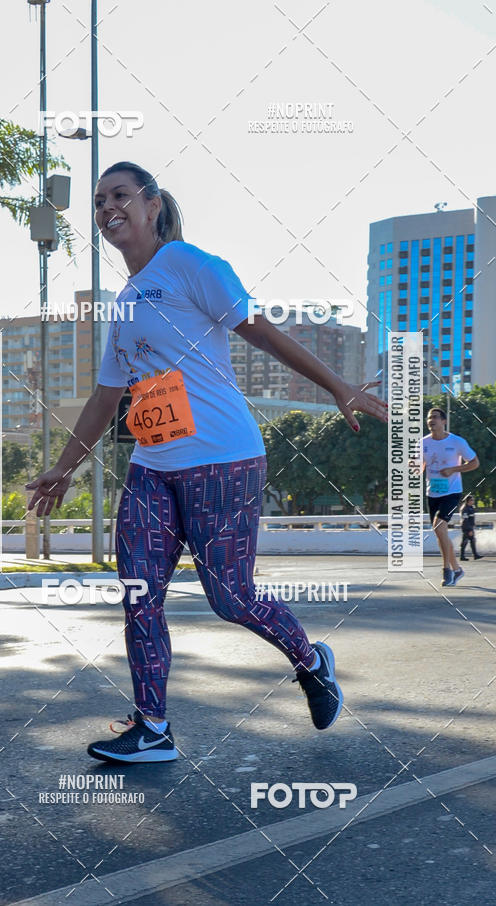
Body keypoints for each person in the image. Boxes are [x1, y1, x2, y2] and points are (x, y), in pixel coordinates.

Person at [26, 161, 388, 764]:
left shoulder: (192, 267)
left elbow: (262, 332)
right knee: (137, 591)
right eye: (98, 201)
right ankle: (153, 728)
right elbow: (104, 398)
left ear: (153, 205)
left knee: (231, 597)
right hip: (151, 464)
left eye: (119, 195)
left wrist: (336, 385)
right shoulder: (123, 302)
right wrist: (65, 467)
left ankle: (311, 661)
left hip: (223, 457)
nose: (107, 208)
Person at [422, 407, 479, 587]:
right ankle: (457, 569)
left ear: (444, 421)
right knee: (440, 532)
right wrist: (414, 465)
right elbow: (420, 463)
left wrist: (453, 469)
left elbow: (475, 463)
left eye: (435, 417)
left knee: (439, 527)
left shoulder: (457, 441)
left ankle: (447, 570)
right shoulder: (422, 442)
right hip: (432, 493)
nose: (431, 420)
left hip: (452, 492)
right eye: (429, 418)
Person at [460, 494, 482, 561]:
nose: (473, 501)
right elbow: (465, 520)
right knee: (465, 541)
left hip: (470, 527)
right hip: (466, 527)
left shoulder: (471, 507)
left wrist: (473, 526)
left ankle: (475, 555)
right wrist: (469, 529)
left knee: (472, 540)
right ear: (468, 501)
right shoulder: (465, 509)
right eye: (472, 500)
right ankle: (463, 556)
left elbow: (471, 518)